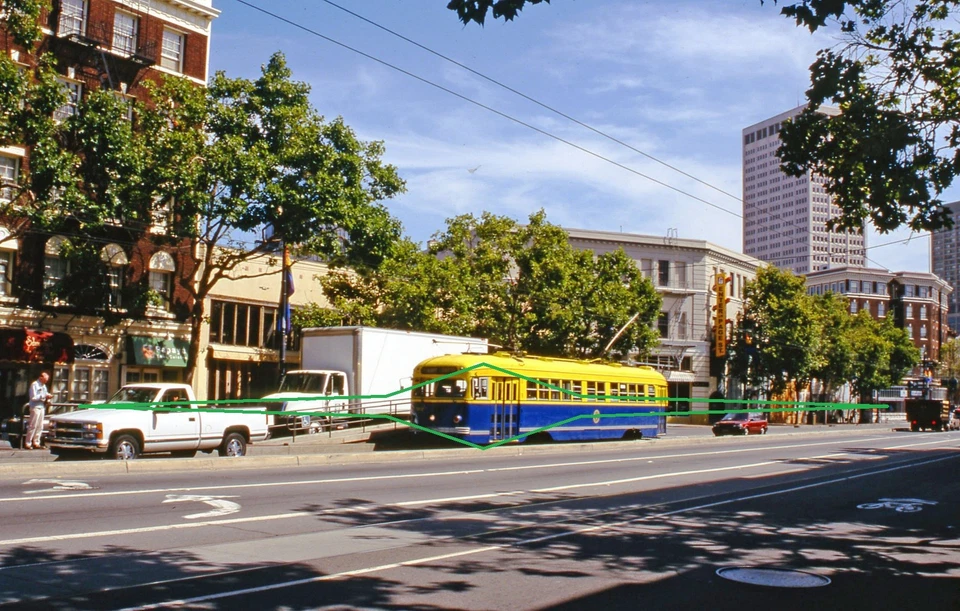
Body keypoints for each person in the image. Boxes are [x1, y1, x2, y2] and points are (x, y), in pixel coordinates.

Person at [25, 371, 52, 450]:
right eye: (45, 379)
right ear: (41, 378)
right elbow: (33, 397)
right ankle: (28, 443)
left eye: (47, 380)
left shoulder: (44, 386)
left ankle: (36, 442)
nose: (46, 381)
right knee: (32, 425)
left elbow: (45, 393)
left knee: (40, 425)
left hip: (42, 406)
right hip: (35, 407)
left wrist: (48, 397)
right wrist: (43, 396)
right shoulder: (34, 385)